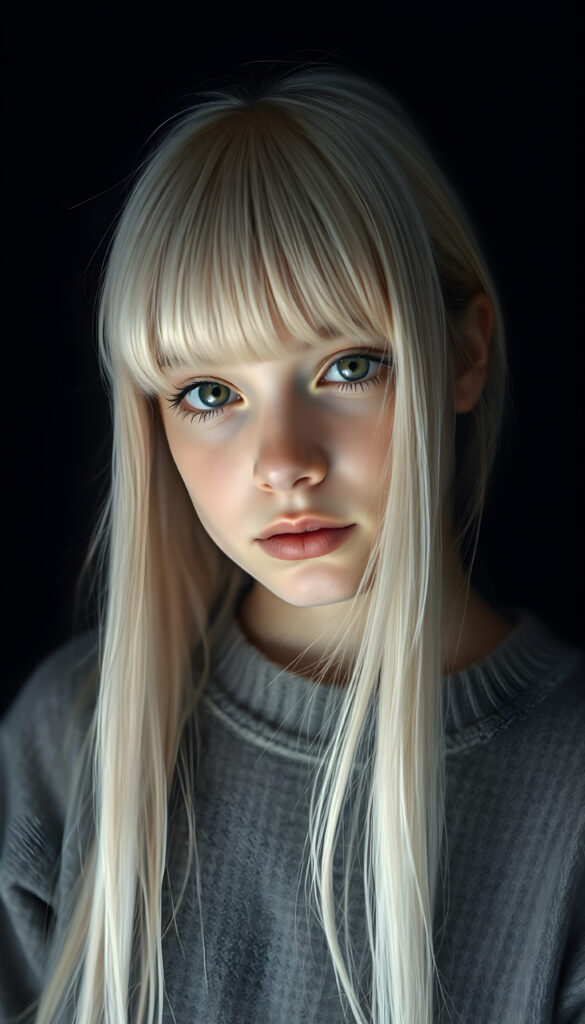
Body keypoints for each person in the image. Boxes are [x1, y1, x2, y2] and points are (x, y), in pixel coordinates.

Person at [0, 64, 583, 1024]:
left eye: (348, 366)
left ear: (465, 354)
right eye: (209, 393)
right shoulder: (64, 746)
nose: (283, 463)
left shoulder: (568, 793)